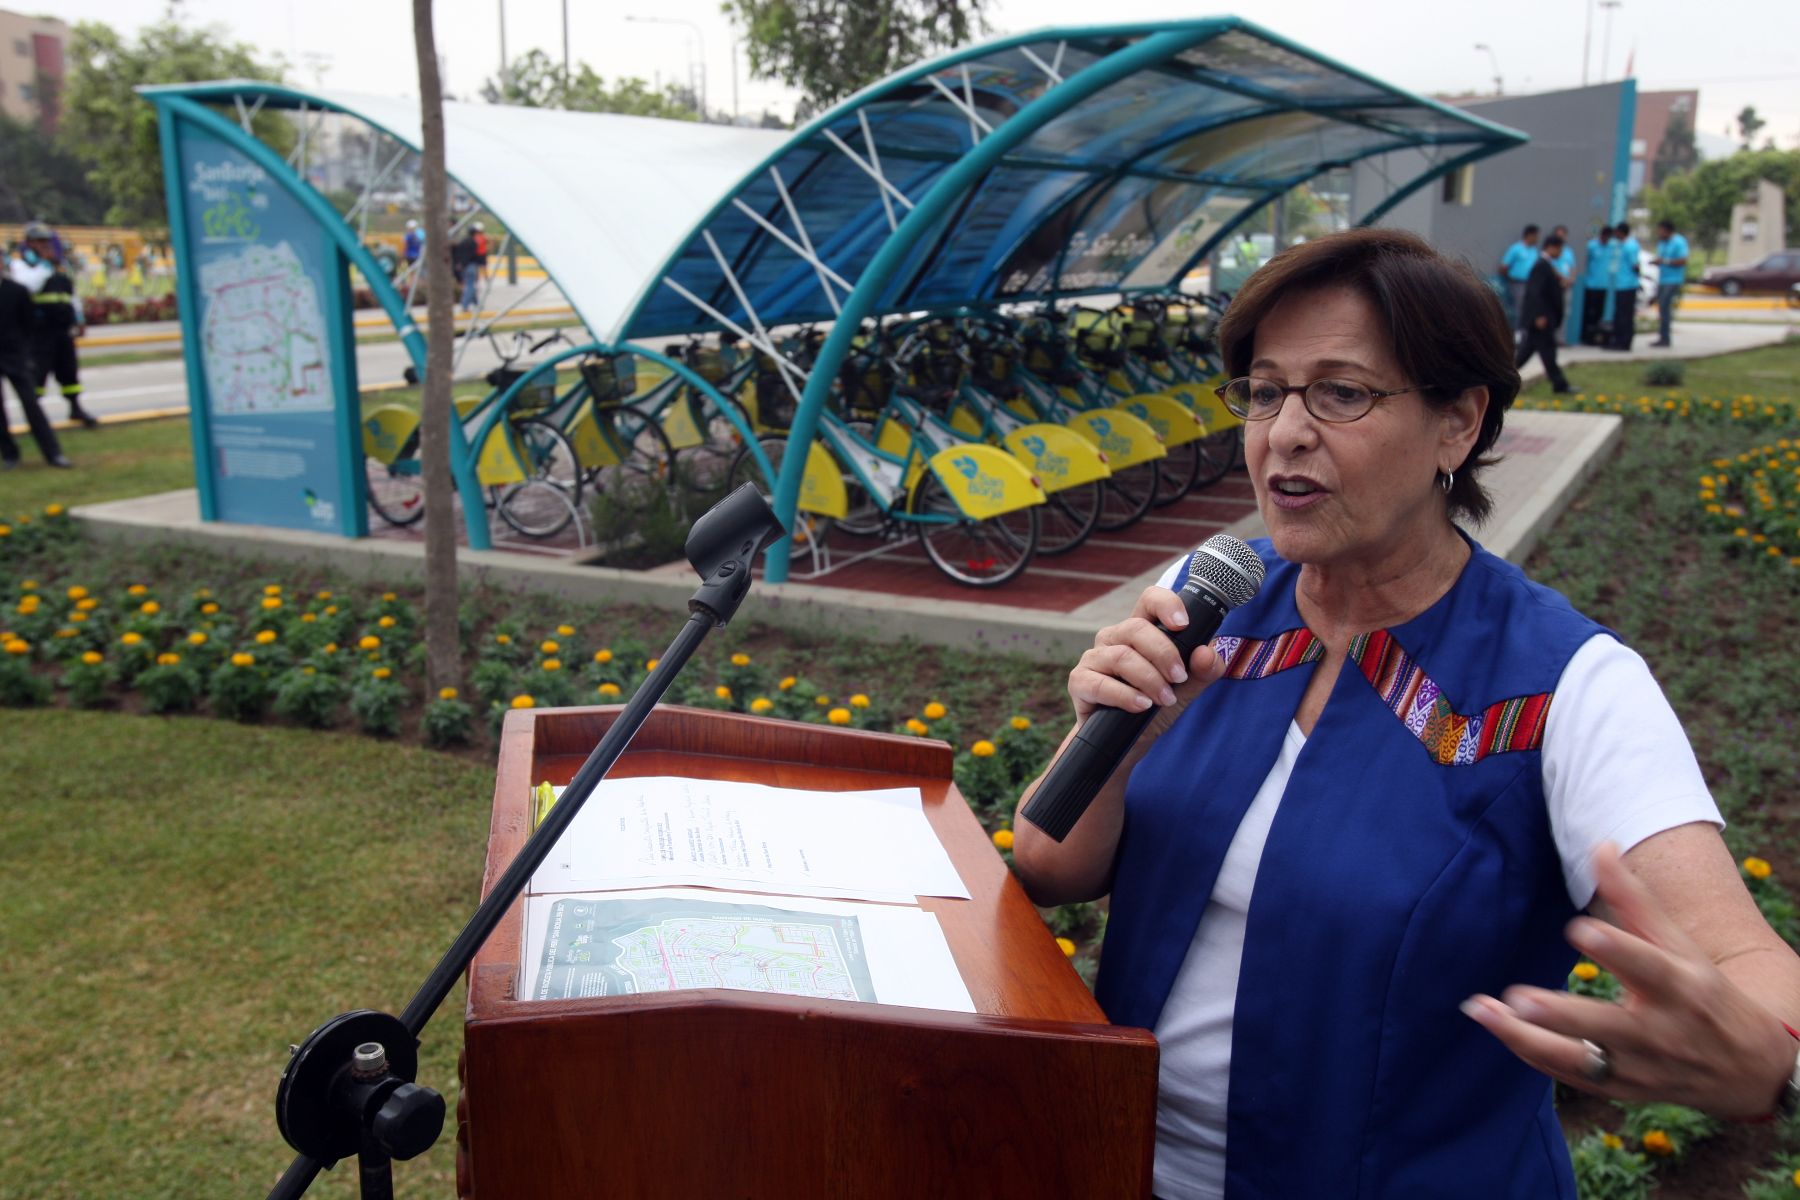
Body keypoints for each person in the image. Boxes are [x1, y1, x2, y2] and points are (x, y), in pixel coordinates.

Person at [1011, 227, 1800, 1200]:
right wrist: (1124, 741)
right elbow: (1049, 863)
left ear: (1458, 424)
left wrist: (1766, 1048)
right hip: (1121, 1163)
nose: (1284, 433)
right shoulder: (1209, 601)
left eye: (1341, 394)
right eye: (1264, 392)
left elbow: (1743, 956)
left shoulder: (1567, 685)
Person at [0, 273, 70, 468]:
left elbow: (29, 324)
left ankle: (53, 454)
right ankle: (9, 455)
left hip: (15, 356)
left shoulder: (16, 291)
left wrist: (25, 352)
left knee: (31, 404)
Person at [29, 244, 95, 428]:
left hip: (63, 332)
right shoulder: (31, 272)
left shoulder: (62, 277)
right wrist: (44, 267)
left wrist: (79, 319)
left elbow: (72, 299)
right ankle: (34, 414)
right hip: (41, 334)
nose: (49, 252)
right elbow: (29, 288)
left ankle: (75, 407)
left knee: (69, 371)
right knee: (38, 374)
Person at [1516, 232, 1573, 393]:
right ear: (1551, 247)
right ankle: (1560, 384)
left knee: (1532, 353)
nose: (1560, 253)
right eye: (1559, 249)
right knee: (1545, 353)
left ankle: (1560, 384)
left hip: (1544, 319)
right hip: (1541, 319)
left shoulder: (1547, 265)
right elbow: (1535, 292)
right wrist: (1538, 315)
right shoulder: (1541, 265)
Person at [1650, 219, 1689, 347]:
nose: (1659, 233)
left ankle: (1665, 338)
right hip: (1662, 279)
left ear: (1668, 230)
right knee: (1661, 309)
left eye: (1661, 230)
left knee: (1665, 308)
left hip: (1673, 280)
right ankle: (1662, 337)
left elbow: (1683, 260)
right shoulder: (1662, 243)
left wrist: (1664, 261)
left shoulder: (1678, 242)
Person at [1496, 223, 1539, 334]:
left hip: (1531, 283)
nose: (1537, 238)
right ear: (1529, 235)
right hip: (1518, 283)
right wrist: (1511, 278)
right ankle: (1517, 332)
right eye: (1536, 236)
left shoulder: (1534, 250)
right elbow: (1504, 266)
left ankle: (1525, 332)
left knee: (1529, 308)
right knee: (1519, 307)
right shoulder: (1516, 249)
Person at [1580, 226, 1615, 345]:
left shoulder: (1611, 246)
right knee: (1589, 312)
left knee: (1599, 313)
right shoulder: (1592, 246)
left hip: (1603, 285)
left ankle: (1595, 336)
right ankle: (1586, 336)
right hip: (1591, 284)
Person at [1610, 221, 1641, 352]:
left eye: (1616, 232)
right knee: (1619, 314)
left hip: (1628, 285)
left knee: (1625, 316)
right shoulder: (1622, 245)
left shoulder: (1630, 246)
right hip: (1621, 284)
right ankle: (1617, 340)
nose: (1615, 234)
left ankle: (1625, 342)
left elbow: (1636, 265)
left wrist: (1636, 279)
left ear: (1621, 232)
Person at [452, 231, 479, 312]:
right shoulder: (473, 243)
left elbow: (458, 254)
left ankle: (476, 303)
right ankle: (465, 305)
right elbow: (474, 255)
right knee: (470, 285)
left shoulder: (463, 242)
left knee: (470, 284)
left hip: (463, 266)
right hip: (471, 265)